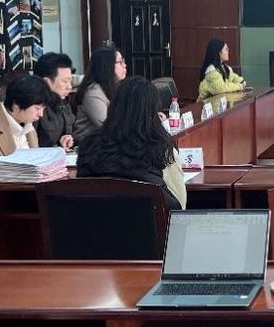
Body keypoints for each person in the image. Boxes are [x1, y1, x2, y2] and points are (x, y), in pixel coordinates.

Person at [77, 76, 186, 210]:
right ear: (153, 112)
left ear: (114, 106)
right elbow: (179, 208)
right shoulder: (162, 150)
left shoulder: (88, 146)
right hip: (146, 222)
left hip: (92, 221)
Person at [0, 76, 51, 259]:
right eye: (37, 108)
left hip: (27, 199)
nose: (41, 114)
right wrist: (8, 169)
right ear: (17, 106)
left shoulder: (28, 126)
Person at [73, 46, 126, 142]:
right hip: (89, 144)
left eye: (123, 61)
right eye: (120, 62)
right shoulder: (93, 91)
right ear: (106, 65)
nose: (124, 65)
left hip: (108, 142)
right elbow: (106, 124)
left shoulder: (116, 87)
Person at [34, 52, 75, 150]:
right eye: (65, 81)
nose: (69, 87)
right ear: (46, 82)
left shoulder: (63, 102)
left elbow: (73, 129)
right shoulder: (34, 106)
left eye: (70, 81)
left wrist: (69, 139)